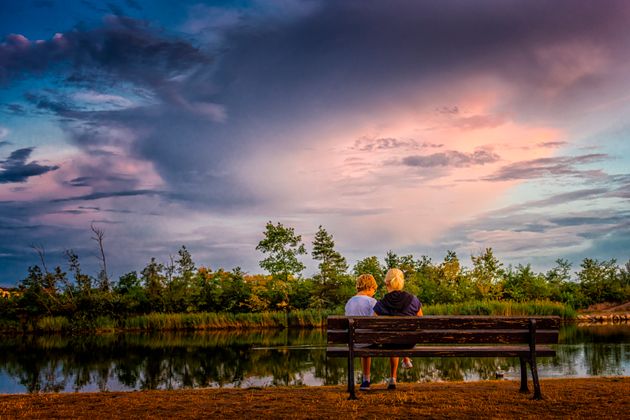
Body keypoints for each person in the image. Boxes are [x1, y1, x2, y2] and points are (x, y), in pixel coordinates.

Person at [373, 268, 423, 390]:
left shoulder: (381, 303)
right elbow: (421, 320)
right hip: (408, 342)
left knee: (392, 339)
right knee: (399, 338)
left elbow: (373, 323)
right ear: (401, 282)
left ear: (386, 283)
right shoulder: (413, 299)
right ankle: (404, 360)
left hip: (389, 343)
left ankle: (393, 378)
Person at [344, 273, 378, 391]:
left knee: (360, 342)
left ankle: (357, 380)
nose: (374, 293)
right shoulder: (372, 302)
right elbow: (375, 323)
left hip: (352, 341)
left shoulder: (349, 302)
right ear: (369, 288)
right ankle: (366, 380)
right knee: (366, 345)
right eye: (374, 290)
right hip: (367, 341)